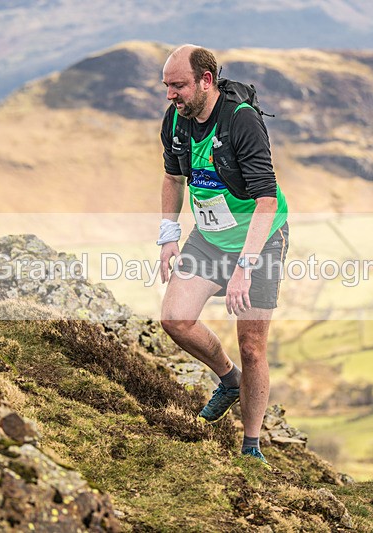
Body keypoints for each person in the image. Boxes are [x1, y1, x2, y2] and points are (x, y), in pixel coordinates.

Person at [157, 45, 289, 467]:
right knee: (175, 319)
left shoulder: (240, 122)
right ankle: (229, 380)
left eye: (178, 86)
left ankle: (251, 447)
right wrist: (168, 235)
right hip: (210, 239)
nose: (170, 95)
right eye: (167, 86)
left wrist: (245, 269)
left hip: (260, 239)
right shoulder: (176, 120)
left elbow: (266, 202)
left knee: (252, 347)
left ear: (206, 81)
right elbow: (172, 177)